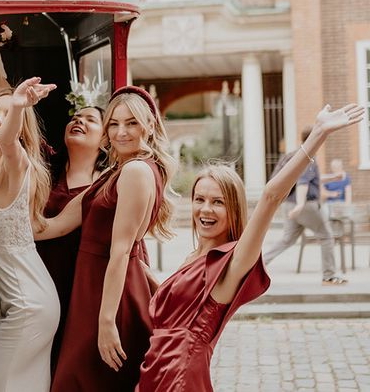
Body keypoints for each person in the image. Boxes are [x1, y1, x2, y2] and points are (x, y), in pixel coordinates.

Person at [137, 102, 364, 391]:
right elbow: (182, 307)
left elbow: (271, 196)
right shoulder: (195, 255)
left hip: (181, 376)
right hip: (154, 368)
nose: (205, 210)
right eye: (200, 199)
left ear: (233, 209)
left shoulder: (232, 260)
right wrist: (141, 271)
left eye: (218, 202)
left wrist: (317, 134)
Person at [37, 86, 177, 392]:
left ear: (149, 126)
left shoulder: (138, 170)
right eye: (114, 123)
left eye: (131, 123)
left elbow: (122, 251)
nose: (121, 132)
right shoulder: (114, 172)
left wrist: (106, 322)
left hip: (111, 297)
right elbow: (54, 227)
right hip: (92, 291)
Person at [0, 79, 61, 392]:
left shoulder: (16, 163)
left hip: (27, 304)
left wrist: (18, 106)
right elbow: (21, 227)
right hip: (21, 302)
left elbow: (7, 141)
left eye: (8, 115)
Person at [36, 105, 108, 371]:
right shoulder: (45, 169)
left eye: (90, 119)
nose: (79, 120)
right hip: (43, 279)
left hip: (84, 286)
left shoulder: (108, 183)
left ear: (105, 139)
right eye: (75, 117)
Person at [263, 126, 348, 285]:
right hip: (305, 205)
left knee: (287, 239)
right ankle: (329, 276)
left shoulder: (291, 155)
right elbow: (303, 182)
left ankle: (259, 264)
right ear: (316, 138)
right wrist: (300, 205)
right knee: (326, 236)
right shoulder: (309, 155)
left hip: (288, 204)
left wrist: (332, 178)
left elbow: (308, 180)